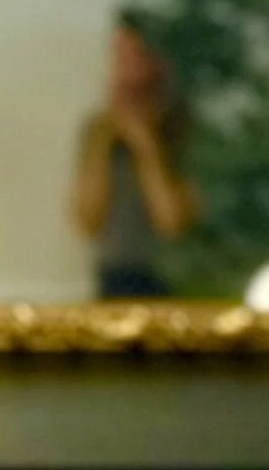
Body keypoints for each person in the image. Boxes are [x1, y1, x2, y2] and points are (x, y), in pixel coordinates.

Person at [71, 22, 197, 297]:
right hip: (112, 278)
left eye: (134, 56)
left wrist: (146, 148)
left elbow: (171, 221)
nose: (123, 69)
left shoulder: (180, 128)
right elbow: (86, 219)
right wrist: (104, 140)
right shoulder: (98, 130)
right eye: (119, 57)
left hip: (165, 279)